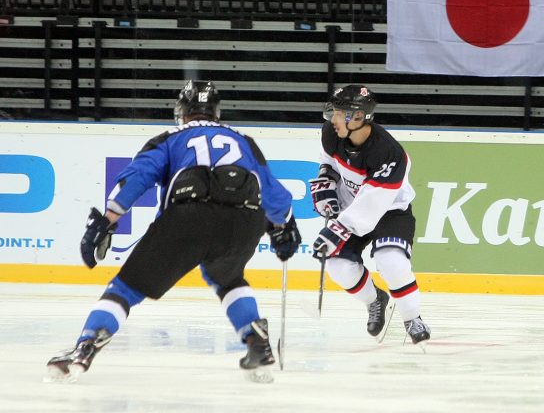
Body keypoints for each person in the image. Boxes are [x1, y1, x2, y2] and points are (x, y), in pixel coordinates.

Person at [46, 80, 302, 383]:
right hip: (246, 219)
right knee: (229, 278)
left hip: (191, 214)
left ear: (182, 111)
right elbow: (272, 191)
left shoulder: (169, 138)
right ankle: (256, 341)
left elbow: (136, 178)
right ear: (216, 112)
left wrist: (109, 218)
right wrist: (283, 226)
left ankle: (85, 347)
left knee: (125, 289)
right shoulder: (243, 140)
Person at [308, 84, 430, 349]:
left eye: (340, 113)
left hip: (389, 212)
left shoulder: (390, 154)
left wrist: (337, 230)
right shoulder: (332, 132)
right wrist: (326, 182)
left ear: (359, 117)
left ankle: (413, 318)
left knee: (392, 262)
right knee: (338, 267)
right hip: (352, 210)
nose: (333, 119)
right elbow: (328, 161)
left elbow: (371, 204)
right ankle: (376, 300)